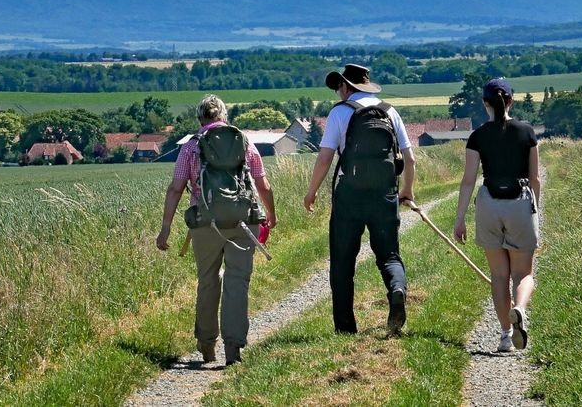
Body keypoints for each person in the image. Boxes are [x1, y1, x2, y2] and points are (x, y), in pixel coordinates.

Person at [156, 94, 277, 365]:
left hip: (205, 224)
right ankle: (233, 347)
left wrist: (165, 228)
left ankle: (207, 345)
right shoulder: (244, 142)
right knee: (238, 283)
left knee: (208, 281)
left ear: (200, 118)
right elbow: (262, 183)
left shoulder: (191, 146)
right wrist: (271, 214)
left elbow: (176, 187)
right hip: (243, 223)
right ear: (224, 116)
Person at [303, 63, 416, 335]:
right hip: (385, 193)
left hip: (349, 195)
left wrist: (312, 191)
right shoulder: (390, 112)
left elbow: (325, 157)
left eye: (338, 88)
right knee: (389, 254)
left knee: (342, 261)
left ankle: (345, 328)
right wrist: (407, 191)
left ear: (345, 86)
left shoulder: (340, 113)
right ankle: (397, 289)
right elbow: (409, 158)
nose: (337, 94)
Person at [453, 77, 541, 352]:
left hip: (489, 203)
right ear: (511, 100)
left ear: (484, 104)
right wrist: (535, 209)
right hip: (519, 202)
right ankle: (520, 309)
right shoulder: (527, 132)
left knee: (499, 275)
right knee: (524, 274)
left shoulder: (477, 136)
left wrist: (460, 218)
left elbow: (468, 180)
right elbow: (535, 178)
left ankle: (505, 335)